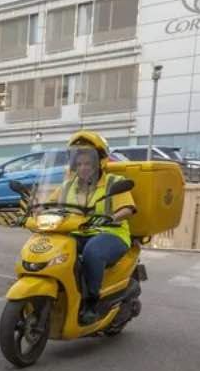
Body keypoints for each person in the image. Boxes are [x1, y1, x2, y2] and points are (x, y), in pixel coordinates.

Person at [52, 131, 137, 325]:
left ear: (99, 163)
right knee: (55, 251)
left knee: (93, 252)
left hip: (110, 233)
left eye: (88, 164)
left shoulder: (112, 182)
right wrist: (34, 211)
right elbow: (49, 204)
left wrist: (111, 217)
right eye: (79, 164)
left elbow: (128, 208)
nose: (83, 168)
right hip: (77, 232)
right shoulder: (68, 185)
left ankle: (91, 302)